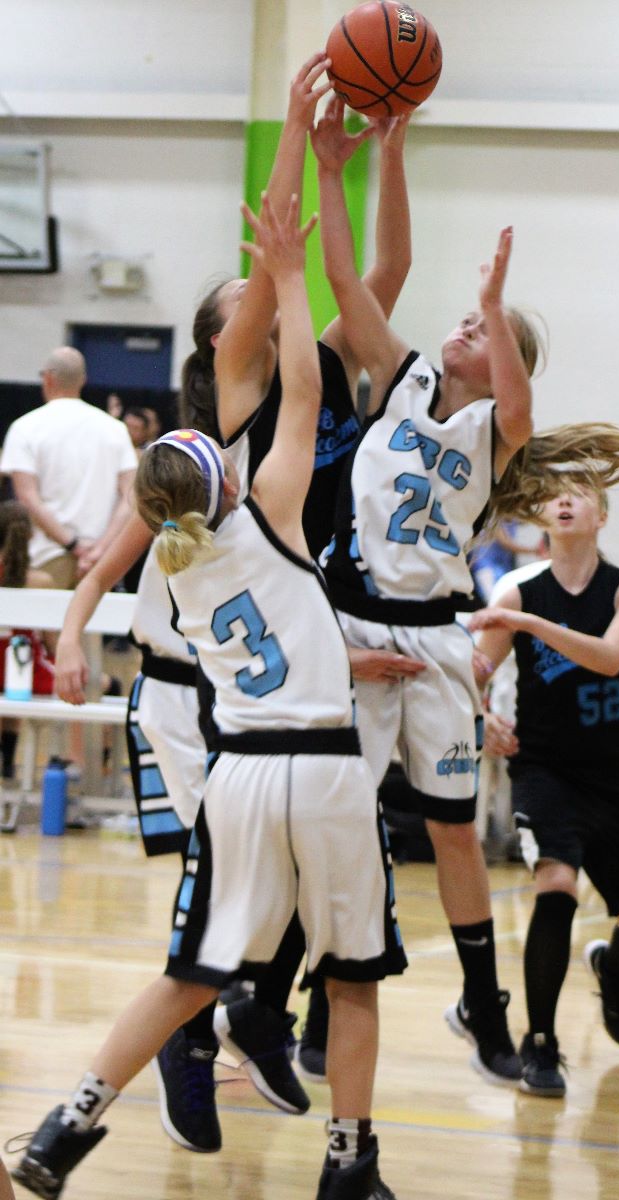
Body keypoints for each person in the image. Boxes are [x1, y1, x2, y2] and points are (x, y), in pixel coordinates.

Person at [12, 195, 406, 1200]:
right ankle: (349, 1163)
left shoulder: (183, 573)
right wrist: (290, 276)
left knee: (188, 971)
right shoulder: (273, 517)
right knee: (354, 977)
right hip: (321, 767)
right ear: (225, 483)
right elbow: (305, 393)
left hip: (236, 773)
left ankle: (65, 1127)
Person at [311, 94, 619, 1088]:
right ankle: (321, 1004)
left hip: (437, 639)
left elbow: (523, 402)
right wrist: (363, 159)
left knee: (453, 830)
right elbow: (352, 280)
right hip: (356, 624)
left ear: (501, 368)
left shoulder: (498, 434)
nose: (463, 326)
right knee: (343, 822)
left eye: (482, 330)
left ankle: (485, 1008)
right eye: (463, 318)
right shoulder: (400, 378)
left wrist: (497, 309)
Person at [185, 54, 422, 1087]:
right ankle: (213, 1023)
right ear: (222, 335)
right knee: (266, 867)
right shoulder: (239, 381)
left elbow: (387, 272)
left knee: (323, 853)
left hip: (317, 607)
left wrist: (369, 157)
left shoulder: (320, 360)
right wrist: (289, 122)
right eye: (244, 296)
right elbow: (275, 238)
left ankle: (263, 1020)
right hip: (272, 633)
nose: (266, 283)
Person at [470, 456, 619, 1098]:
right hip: (543, 767)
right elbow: (472, 672)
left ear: (600, 516)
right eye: (555, 495)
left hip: (610, 771)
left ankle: (612, 967)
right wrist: (479, 718)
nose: (565, 502)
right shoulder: (518, 591)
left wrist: (526, 625)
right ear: (541, 515)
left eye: (579, 494)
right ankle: (540, 1045)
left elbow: (608, 658)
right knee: (556, 887)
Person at [0, 348, 139, 588]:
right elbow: (131, 497)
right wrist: (99, 549)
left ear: (47, 378)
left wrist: (73, 545)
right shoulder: (115, 429)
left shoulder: (25, 427)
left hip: (45, 556)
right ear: (83, 380)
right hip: (99, 562)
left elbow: (27, 497)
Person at [0, 501, 57, 782]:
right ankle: (9, 763)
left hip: (9, 672)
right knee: (108, 684)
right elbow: (52, 644)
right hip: (27, 676)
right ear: (30, 535)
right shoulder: (40, 581)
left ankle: (7, 762)